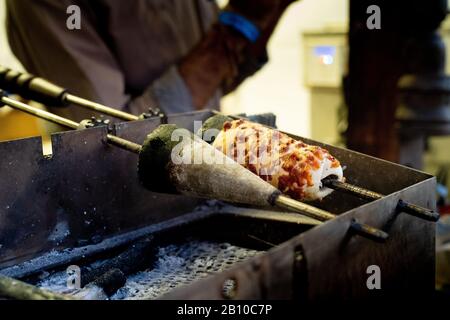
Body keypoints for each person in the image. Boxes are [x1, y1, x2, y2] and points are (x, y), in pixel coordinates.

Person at [6, 0, 296, 123]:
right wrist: (239, 23)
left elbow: (216, 83)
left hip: (203, 182)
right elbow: (111, 137)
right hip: (125, 212)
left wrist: (265, 11)